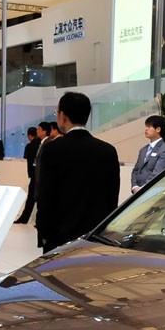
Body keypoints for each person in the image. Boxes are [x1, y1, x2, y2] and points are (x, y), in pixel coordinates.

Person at [36, 92, 119, 255]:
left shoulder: (53, 149)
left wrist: (44, 233)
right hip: (94, 239)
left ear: (63, 116)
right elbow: (112, 198)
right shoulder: (108, 151)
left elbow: (45, 196)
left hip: (59, 238)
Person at [131, 114, 165, 193]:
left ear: (158, 129)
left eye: (149, 127)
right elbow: (136, 170)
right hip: (137, 192)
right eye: (146, 126)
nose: (146, 129)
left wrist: (142, 189)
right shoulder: (143, 150)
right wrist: (134, 186)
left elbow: (157, 173)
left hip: (152, 192)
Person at [14, 125, 42, 224]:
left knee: (31, 197)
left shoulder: (30, 146)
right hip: (40, 174)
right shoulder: (41, 144)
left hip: (33, 174)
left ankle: (25, 218)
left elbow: (26, 158)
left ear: (29, 135)